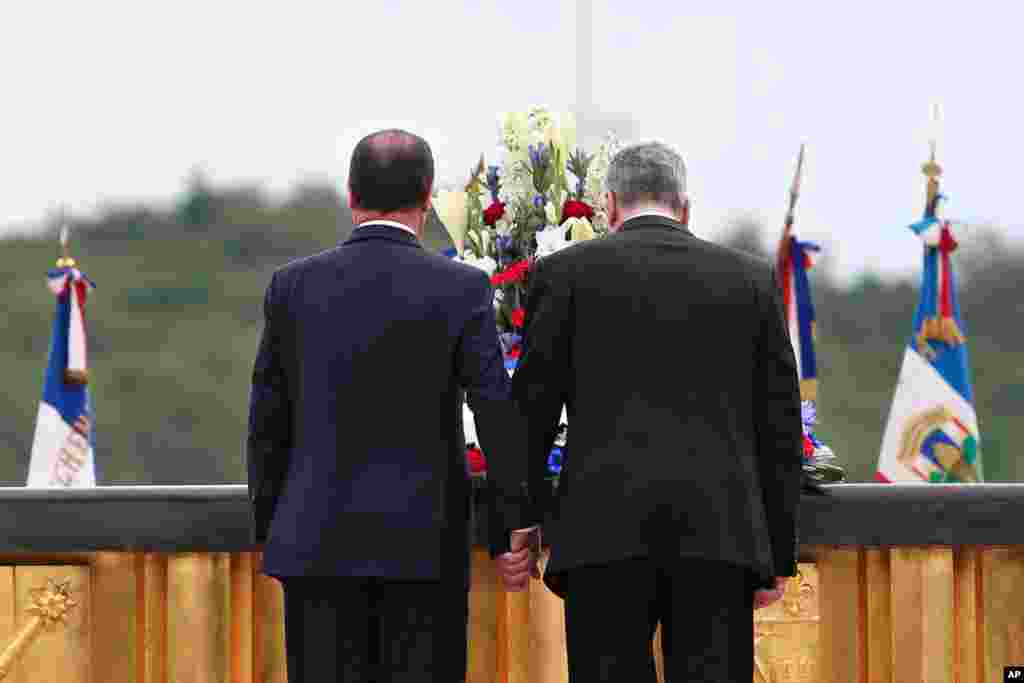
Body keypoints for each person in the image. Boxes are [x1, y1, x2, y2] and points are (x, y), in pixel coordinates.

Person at [504, 141, 803, 681]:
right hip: (720, 538)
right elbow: (778, 426)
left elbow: (531, 412)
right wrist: (778, 552)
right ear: (684, 207)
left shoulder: (564, 274)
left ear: (610, 205)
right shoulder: (750, 280)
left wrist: (518, 518)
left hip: (602, 538)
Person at [246, 128, 535, 683]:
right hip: (426, 550)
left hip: (316, 548)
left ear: (350, 194)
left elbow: (267, 424)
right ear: (428, 196)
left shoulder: (293, 287)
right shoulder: (461, 288)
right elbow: (496, 412)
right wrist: (511, 524)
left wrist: (270, 530)